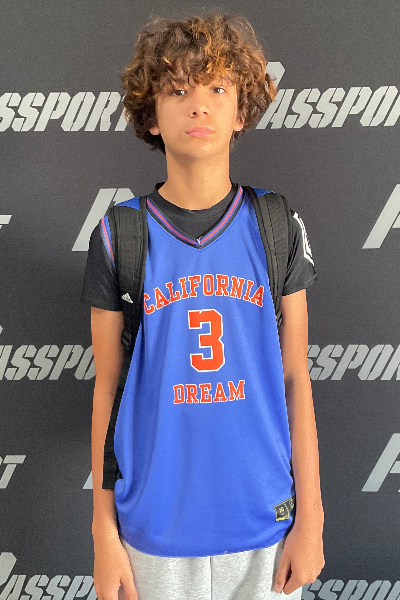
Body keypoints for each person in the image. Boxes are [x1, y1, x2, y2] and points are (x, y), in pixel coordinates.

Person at [81, 11, 325, 600]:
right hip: (153, 528)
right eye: (178, 90)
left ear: (241, 111)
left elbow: (296, 378)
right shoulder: (120, 234)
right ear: (150, 116)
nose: (199, 106)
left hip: (265, 524)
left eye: (217, 88)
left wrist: (312, 520)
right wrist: (103, 533)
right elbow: (106, 391)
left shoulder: (275, 224)